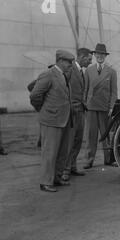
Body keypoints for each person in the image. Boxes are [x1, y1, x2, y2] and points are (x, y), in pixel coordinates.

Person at [30, 50, 75, 193]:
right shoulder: (48, 74)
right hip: (51, 120)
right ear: (60, 61)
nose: (71, 65)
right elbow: (35, 95)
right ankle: (45, 182)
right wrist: (43, 110)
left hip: (64, 119)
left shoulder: (63, 75)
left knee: (62, 152)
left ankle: (56, 178)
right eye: (69, 62)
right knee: (50, 152)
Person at [83, 43, 118, 169]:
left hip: (104, 107)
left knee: (105, 135)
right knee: (90, 135)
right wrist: (85, 104)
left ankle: (108, 159)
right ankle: (89, 160)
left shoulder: (112, 72)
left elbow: (114, 92)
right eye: (98, 54)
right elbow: (85, 89)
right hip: (91, 107)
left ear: (105, 56)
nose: (100, 56)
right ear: (94, 55)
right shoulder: (89, 70)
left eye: (102, 54)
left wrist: (111, 107)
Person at [61, 48, 92, 181]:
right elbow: (64, 88)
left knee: (78, 141)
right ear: (82, 57)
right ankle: (65, 170)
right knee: (70, 141)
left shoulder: (80, 71)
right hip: (72, 111)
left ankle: (72, 166)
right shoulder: (70, 69)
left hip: (81, 110)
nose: (90, 62)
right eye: (89, 59)